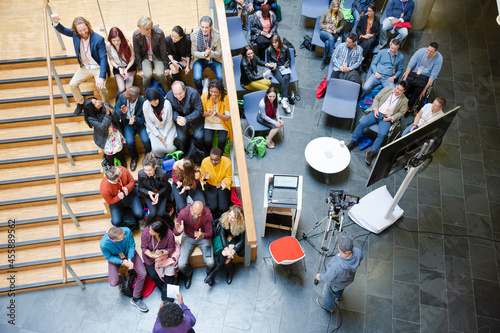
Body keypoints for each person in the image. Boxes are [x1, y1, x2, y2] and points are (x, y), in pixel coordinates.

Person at [50, 14, 109, 116]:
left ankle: (106, 104)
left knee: (101, 86)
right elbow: (63, 30)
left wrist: (101, 77)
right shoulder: (75, 35)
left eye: (84, 29)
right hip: (85, 66)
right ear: (76, 30)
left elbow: (103, 59)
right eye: (80, 31)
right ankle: (80, 103)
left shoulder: (98, 39)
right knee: (72, 84)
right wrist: (55, 22)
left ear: (88, 26)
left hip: (97, 67)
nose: (83, 32)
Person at [346, 81, 409, 165]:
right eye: (397, 88)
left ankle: (371, 152)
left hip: (386, 118)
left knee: (382, 134)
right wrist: (375, 109)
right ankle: (353, 142)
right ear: (396, 85)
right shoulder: (387, 89)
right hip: (376, 112)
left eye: (400, 90)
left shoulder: (404, 100)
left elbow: (401, 113)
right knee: (362, 123)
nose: (397, 91)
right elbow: (377, 98)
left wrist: (392, 118)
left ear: (404, 91)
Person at [100, 226, 149, 312]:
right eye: (123, 237)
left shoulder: (127, 231)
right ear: (115, 240)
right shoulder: (103, 244)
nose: (125, 236)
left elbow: (131, 246)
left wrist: (130, 259)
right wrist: (121, 262)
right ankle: (122, 281)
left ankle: (136, 298)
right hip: (116, 257)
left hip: (128, 254)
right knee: (113, 283)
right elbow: (108, 257)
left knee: (143, 273)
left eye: (123, 234)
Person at [315, 232, 363, 313]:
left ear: (339, 248)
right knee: (340, 288)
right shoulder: (358, 252)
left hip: (335, 283)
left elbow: (328, 278)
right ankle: (338, 296)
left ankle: (329, 307)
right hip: (347, 280)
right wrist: (340, 237)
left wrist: (319, 276)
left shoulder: (337, 265)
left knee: (329, 294)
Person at [174, 201, 214, 288]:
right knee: (181, 264)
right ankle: (188, 274)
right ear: (191, 208)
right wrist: (179, 231)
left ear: (203, 211)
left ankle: (209, 273)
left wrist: (203, 235)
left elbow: (210, 233)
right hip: (188, 237)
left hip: (203, 238)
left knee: (210, 262)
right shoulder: (183, 213)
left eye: (199, 214)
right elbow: (175, 232)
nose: (196, 216)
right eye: (194, 213)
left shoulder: (208, 214)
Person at [204, 206, 245, 286]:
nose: (229, 218)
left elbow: (241, 240)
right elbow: (222, 234)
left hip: (233, 240)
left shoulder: (241, 226)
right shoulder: (225, 218)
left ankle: (213, 274)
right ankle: (230, 271)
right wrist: (226, 248)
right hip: (223, 238)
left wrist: (233, 251)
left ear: (238, 220)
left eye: (233, 218)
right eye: (230, 215)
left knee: (227, 260)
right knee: (225, 258)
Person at [113, 86, 151, 171]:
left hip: (140, 124)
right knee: (129, 142)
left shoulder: (143, 102)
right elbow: (116, 109)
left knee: (146, 140)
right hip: (127, 124)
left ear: (133, 97)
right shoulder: (122, 96)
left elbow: (145, 119)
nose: (124, 93)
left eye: (127, 93)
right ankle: (134, 158)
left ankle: (148, 156)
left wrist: (135, 119)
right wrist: (123, 113)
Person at [83, 98, 126, 167]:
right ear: (92, 108)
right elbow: (103, 127)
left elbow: (118, 118)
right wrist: (107, 114)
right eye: (95, 103)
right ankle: (111, 165)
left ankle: (123, 163)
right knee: (109, 153)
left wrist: (112, 111)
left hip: (114, 130)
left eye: (97, 100)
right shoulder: (91, 118)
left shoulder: (106, 105)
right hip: (104, 136)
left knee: (119, 150)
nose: (98, 102)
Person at [141, 220, 176, 303]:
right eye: (150, 229)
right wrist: (152, 255)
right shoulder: (146, 232)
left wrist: (163, 253)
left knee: (169, 275)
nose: (149, 231)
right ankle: (168, 293)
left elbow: (171, 247)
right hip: (150, 257)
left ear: (159, 233)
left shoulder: (169, 234)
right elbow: (144, 248)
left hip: (163, 256)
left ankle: (166, 298)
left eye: (152, 231)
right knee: (154, 275)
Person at [133, 17, 170, 93]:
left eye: (141, 29)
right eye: (139, 28)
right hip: (145, 58)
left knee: (160, 74)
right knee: (147, 75)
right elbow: (137, 52)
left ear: (149, 30)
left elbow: (163, 50)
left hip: (157, 57)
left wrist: (166, 67)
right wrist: (140, 68)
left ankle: (167, 92)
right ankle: (145, 94)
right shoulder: (136, 35)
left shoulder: (159, 34)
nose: (139, 31)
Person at [166, 81, 204, 154]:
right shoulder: (169, 95)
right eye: (175, 94)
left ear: (185, 90)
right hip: (180, 119)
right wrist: (177, 118)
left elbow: (199, 110)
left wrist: (186, 119)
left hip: (194, 118)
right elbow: (171, 110)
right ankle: (183, 155)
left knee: (199, 136)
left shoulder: (193, 93)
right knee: (181, 138)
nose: (178, 96)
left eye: (180, 93)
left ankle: (200, 154)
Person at [138, 153, 175, 227]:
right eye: (145, 170)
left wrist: (158, 194)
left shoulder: (163, 173)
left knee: (161, 213)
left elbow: (165, 187)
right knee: (153, 214)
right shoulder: (141, 174)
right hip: (148, 194)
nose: (147, 173)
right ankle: (148, 227)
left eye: (150, 170)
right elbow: (140, 188)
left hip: (161, 193)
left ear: (154, 167)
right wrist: (149, 193)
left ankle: (171, 223)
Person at [402, 42, 443, 108]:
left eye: (431, 52)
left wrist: (424, 90)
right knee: (406, 86)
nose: (428, 52)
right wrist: (404, 79)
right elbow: (410, 64)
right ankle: (402, 102)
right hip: (415, 73)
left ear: (436, 52)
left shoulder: (439, 58)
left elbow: (433, 75)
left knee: (418, 91)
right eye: (428, 50)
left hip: (425, 77)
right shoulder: (421, 51)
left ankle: (409, 105)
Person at [191, 16, 223, 92]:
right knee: (197, 78)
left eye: (207, 27)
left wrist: (210, 54)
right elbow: (193, 52)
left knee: (220, 77)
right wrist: (204, 54)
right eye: (202, 27)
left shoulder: (217, 34)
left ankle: (218, 91)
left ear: (211, 27)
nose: (204, 30)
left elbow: (219, 52)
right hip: (200, 59)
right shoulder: (194, 35)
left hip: (214, 59)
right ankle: (200, 90)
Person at [143, 88, 177, 158]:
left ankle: (172, 157)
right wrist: (158, 135)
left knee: (170, 148)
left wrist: (164, 136)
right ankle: (161, 160)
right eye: (151, 101)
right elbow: (149, 123)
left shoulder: (167, 104)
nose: (153, 103)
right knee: (156, 149)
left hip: (167, 127)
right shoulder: (145, 105)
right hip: (154, 129)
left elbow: (169, 121)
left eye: (155, 100)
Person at [201, 79, 232, 152]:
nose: (213, 94)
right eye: (211, 91)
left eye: (216, 92)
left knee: (222, 140)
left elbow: (227, 117)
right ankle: (208, 154)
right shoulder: (204, 96)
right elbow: (201, 113)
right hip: (209, 122)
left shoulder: (226, 97)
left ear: (220, 91)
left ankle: (220, 154)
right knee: (207, 140)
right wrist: (207, 113)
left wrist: (217, 114)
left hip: (222, 122)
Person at [106, 27, 137, 101]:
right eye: (113, 41)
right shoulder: (108, 45)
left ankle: (129, 105)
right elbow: (111, 60)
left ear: (121, 38)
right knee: (121, 89)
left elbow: (132, 59)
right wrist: (119, 68)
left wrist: (126, 70)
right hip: (118, 67)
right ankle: (118, 103)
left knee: (128, 89)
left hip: (129, 67)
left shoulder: (127, 44)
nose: (116, 43)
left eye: (118, 40)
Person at [201, 148, 232, 214]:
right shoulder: (205, 162)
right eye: (211, 159)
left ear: (221, 157)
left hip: (222, 185)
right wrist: (205, 178)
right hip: (210, 185)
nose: (213, 162)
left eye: (216, 160)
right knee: (213, 207)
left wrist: (225, 182)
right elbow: (202, 177)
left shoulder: (227, 162)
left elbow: (228, 177)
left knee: (223, 207)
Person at [265, 35, 292, 113]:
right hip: (276, 68)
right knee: (283, 80)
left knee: (286, 78)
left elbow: (289, 60)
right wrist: (272, 65)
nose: (274, 44)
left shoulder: (285, 48)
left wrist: (284, 66)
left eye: (275, 42)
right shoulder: (269, 50)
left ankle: (283, 98)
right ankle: (285, 99)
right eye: (273, 42)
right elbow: (269, 61)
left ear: (279, 42)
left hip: (284, 67)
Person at [319, 1, 345, 70]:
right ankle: (333, 56)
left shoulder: (341, 15)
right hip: (324, 32)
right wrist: (327, 29)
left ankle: (324, 59)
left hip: (334, 33)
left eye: (337, 7)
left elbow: (342, 26)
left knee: (328, 43)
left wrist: (336, 30)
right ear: (331, 6)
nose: (335, 9)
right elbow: (320, 24)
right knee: (330, 37)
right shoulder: (326, 12)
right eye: (334, 7)